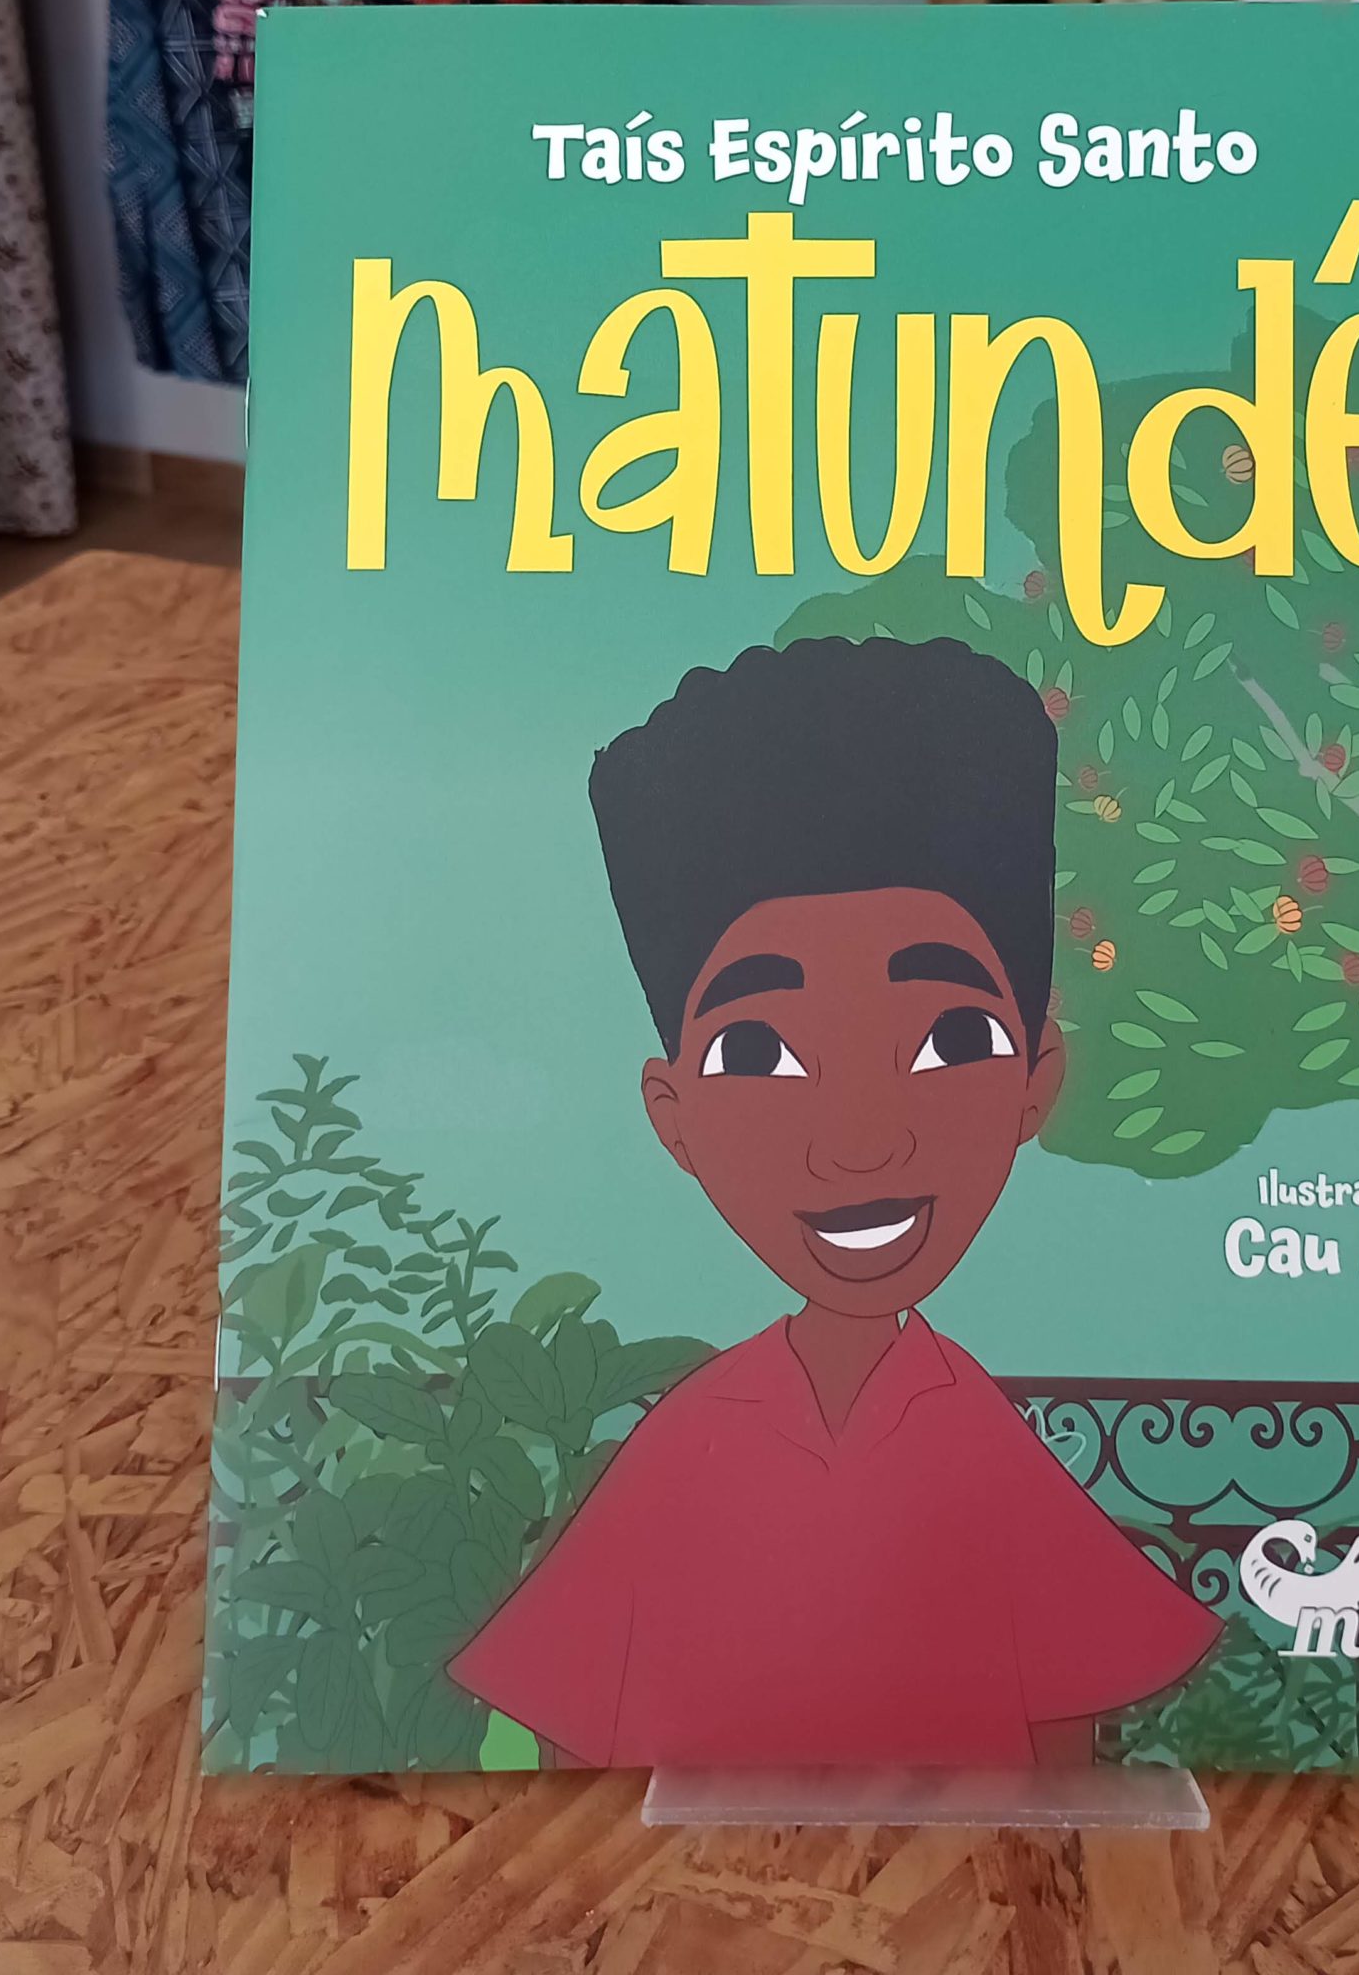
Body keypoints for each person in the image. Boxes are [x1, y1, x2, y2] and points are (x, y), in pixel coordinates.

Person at [449, 633, 1219, 1766]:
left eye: (952, 1037)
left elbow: (1063, 1740)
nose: (862, 1143)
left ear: (1034, 1079)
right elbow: (581, 1737)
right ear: (674, 1115)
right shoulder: (689, 1442)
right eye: (758, 1052)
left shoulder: (975, 1437)